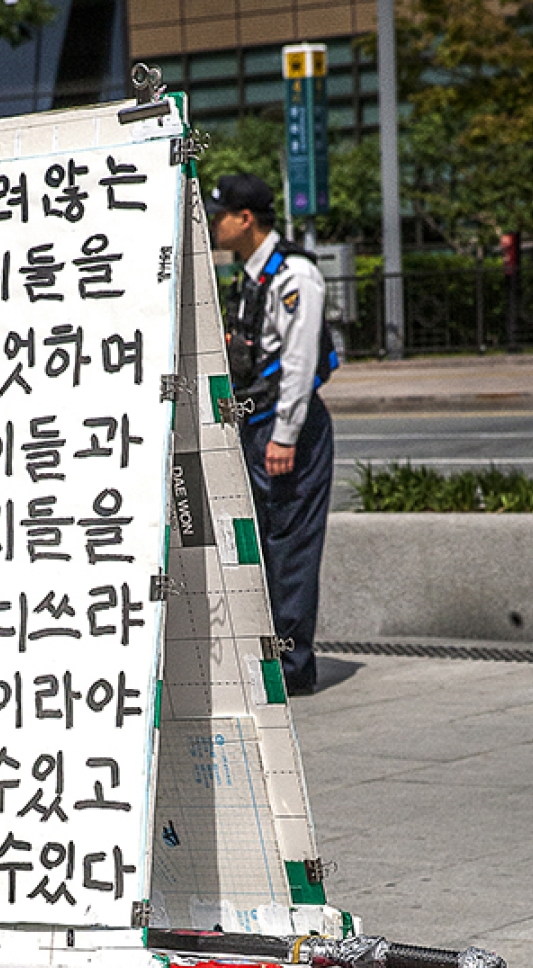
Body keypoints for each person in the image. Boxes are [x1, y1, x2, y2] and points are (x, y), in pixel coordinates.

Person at [207, 172, 336, 698]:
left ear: (245, 219)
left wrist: (285, 434)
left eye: (219, 215)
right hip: (257, 424)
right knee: (259, 544)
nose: (213, 224)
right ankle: (266, 658)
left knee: (290, 547)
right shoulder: (252, 274)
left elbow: (301, 362)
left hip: (288, 430)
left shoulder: (295, 276)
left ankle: (292, 667)